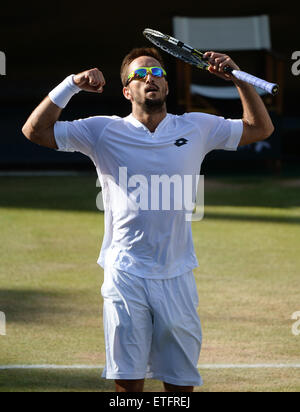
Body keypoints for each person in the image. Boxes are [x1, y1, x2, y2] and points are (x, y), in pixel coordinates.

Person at [22, 47, 274, 392]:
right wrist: (71, 85)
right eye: (139, 76)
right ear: (127, 91)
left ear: (167, 87)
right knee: (128, 382)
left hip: (178, 274)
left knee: (180, 385)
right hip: (125, 272)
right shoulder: (102, 131)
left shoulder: (196, 126)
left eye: (157, 74)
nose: (149, 79)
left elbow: (260, 128)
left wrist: (238, 79)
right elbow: (34, 131)